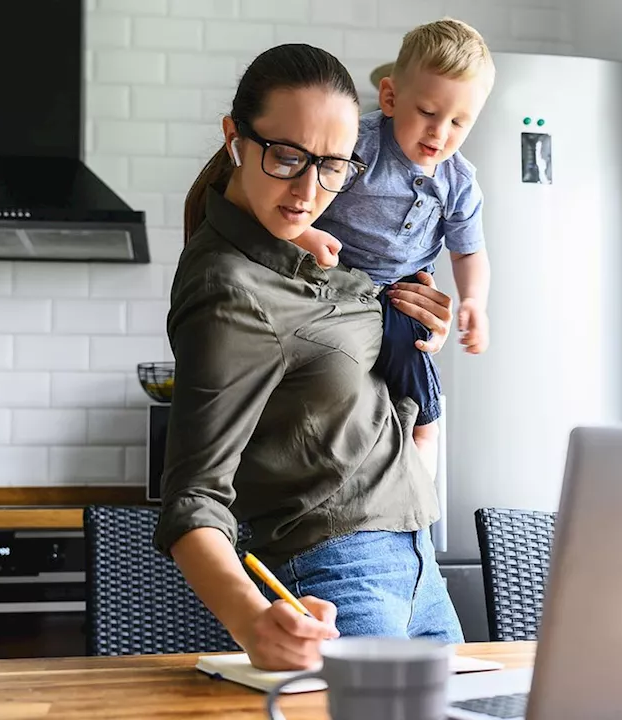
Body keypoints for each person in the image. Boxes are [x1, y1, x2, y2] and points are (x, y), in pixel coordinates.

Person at [153, 42, 465, 673]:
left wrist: (417, 318)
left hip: (419, 566)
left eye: (333, 167)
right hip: (338, 577)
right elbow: (193, 495)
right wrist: (248, 618)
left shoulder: (315, 251)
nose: (307, 189)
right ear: (235, 138)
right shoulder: (230, 290)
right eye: (287, 157)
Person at [293, 18, 495, 475]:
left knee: (414, 360)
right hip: (330, 274)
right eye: (427, 112)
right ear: (390, 97)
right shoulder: (356, 145)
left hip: (401, 290)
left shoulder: (459, 181)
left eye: (459, 122)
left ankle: (423, 451)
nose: (439, 133)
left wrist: (474, 304)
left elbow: (468, 251)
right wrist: (307, 235)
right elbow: (300, 201)